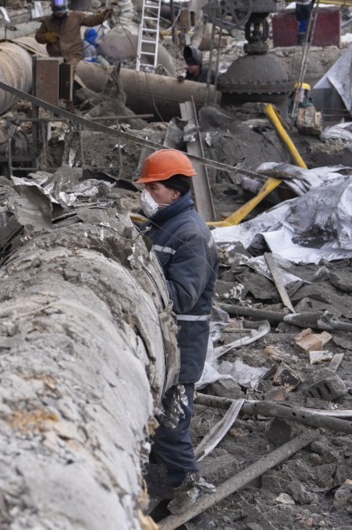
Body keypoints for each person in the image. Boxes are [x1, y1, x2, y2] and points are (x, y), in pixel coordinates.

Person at [136, 149, 219, 517]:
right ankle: (164, 500)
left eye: (153, 189)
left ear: (174, 191)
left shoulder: (191, 234)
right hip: (161, 346)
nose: (147, 195)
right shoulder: (162, 225)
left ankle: (189, 509)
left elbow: (183, 296)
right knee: (156, 430)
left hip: (180, 349)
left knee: (171, 430)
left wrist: (136, 280)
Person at [35, 0, 109, 66]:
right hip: (55, 56)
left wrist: (101, 17)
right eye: (57, 12)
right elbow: (38, 36)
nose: (59, 14)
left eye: (61, 12)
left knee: (67, 70)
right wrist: (46, 37)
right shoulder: (47, 21)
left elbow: (91, 20)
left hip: (73, 56)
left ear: (66, 9)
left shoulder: (76, 17)